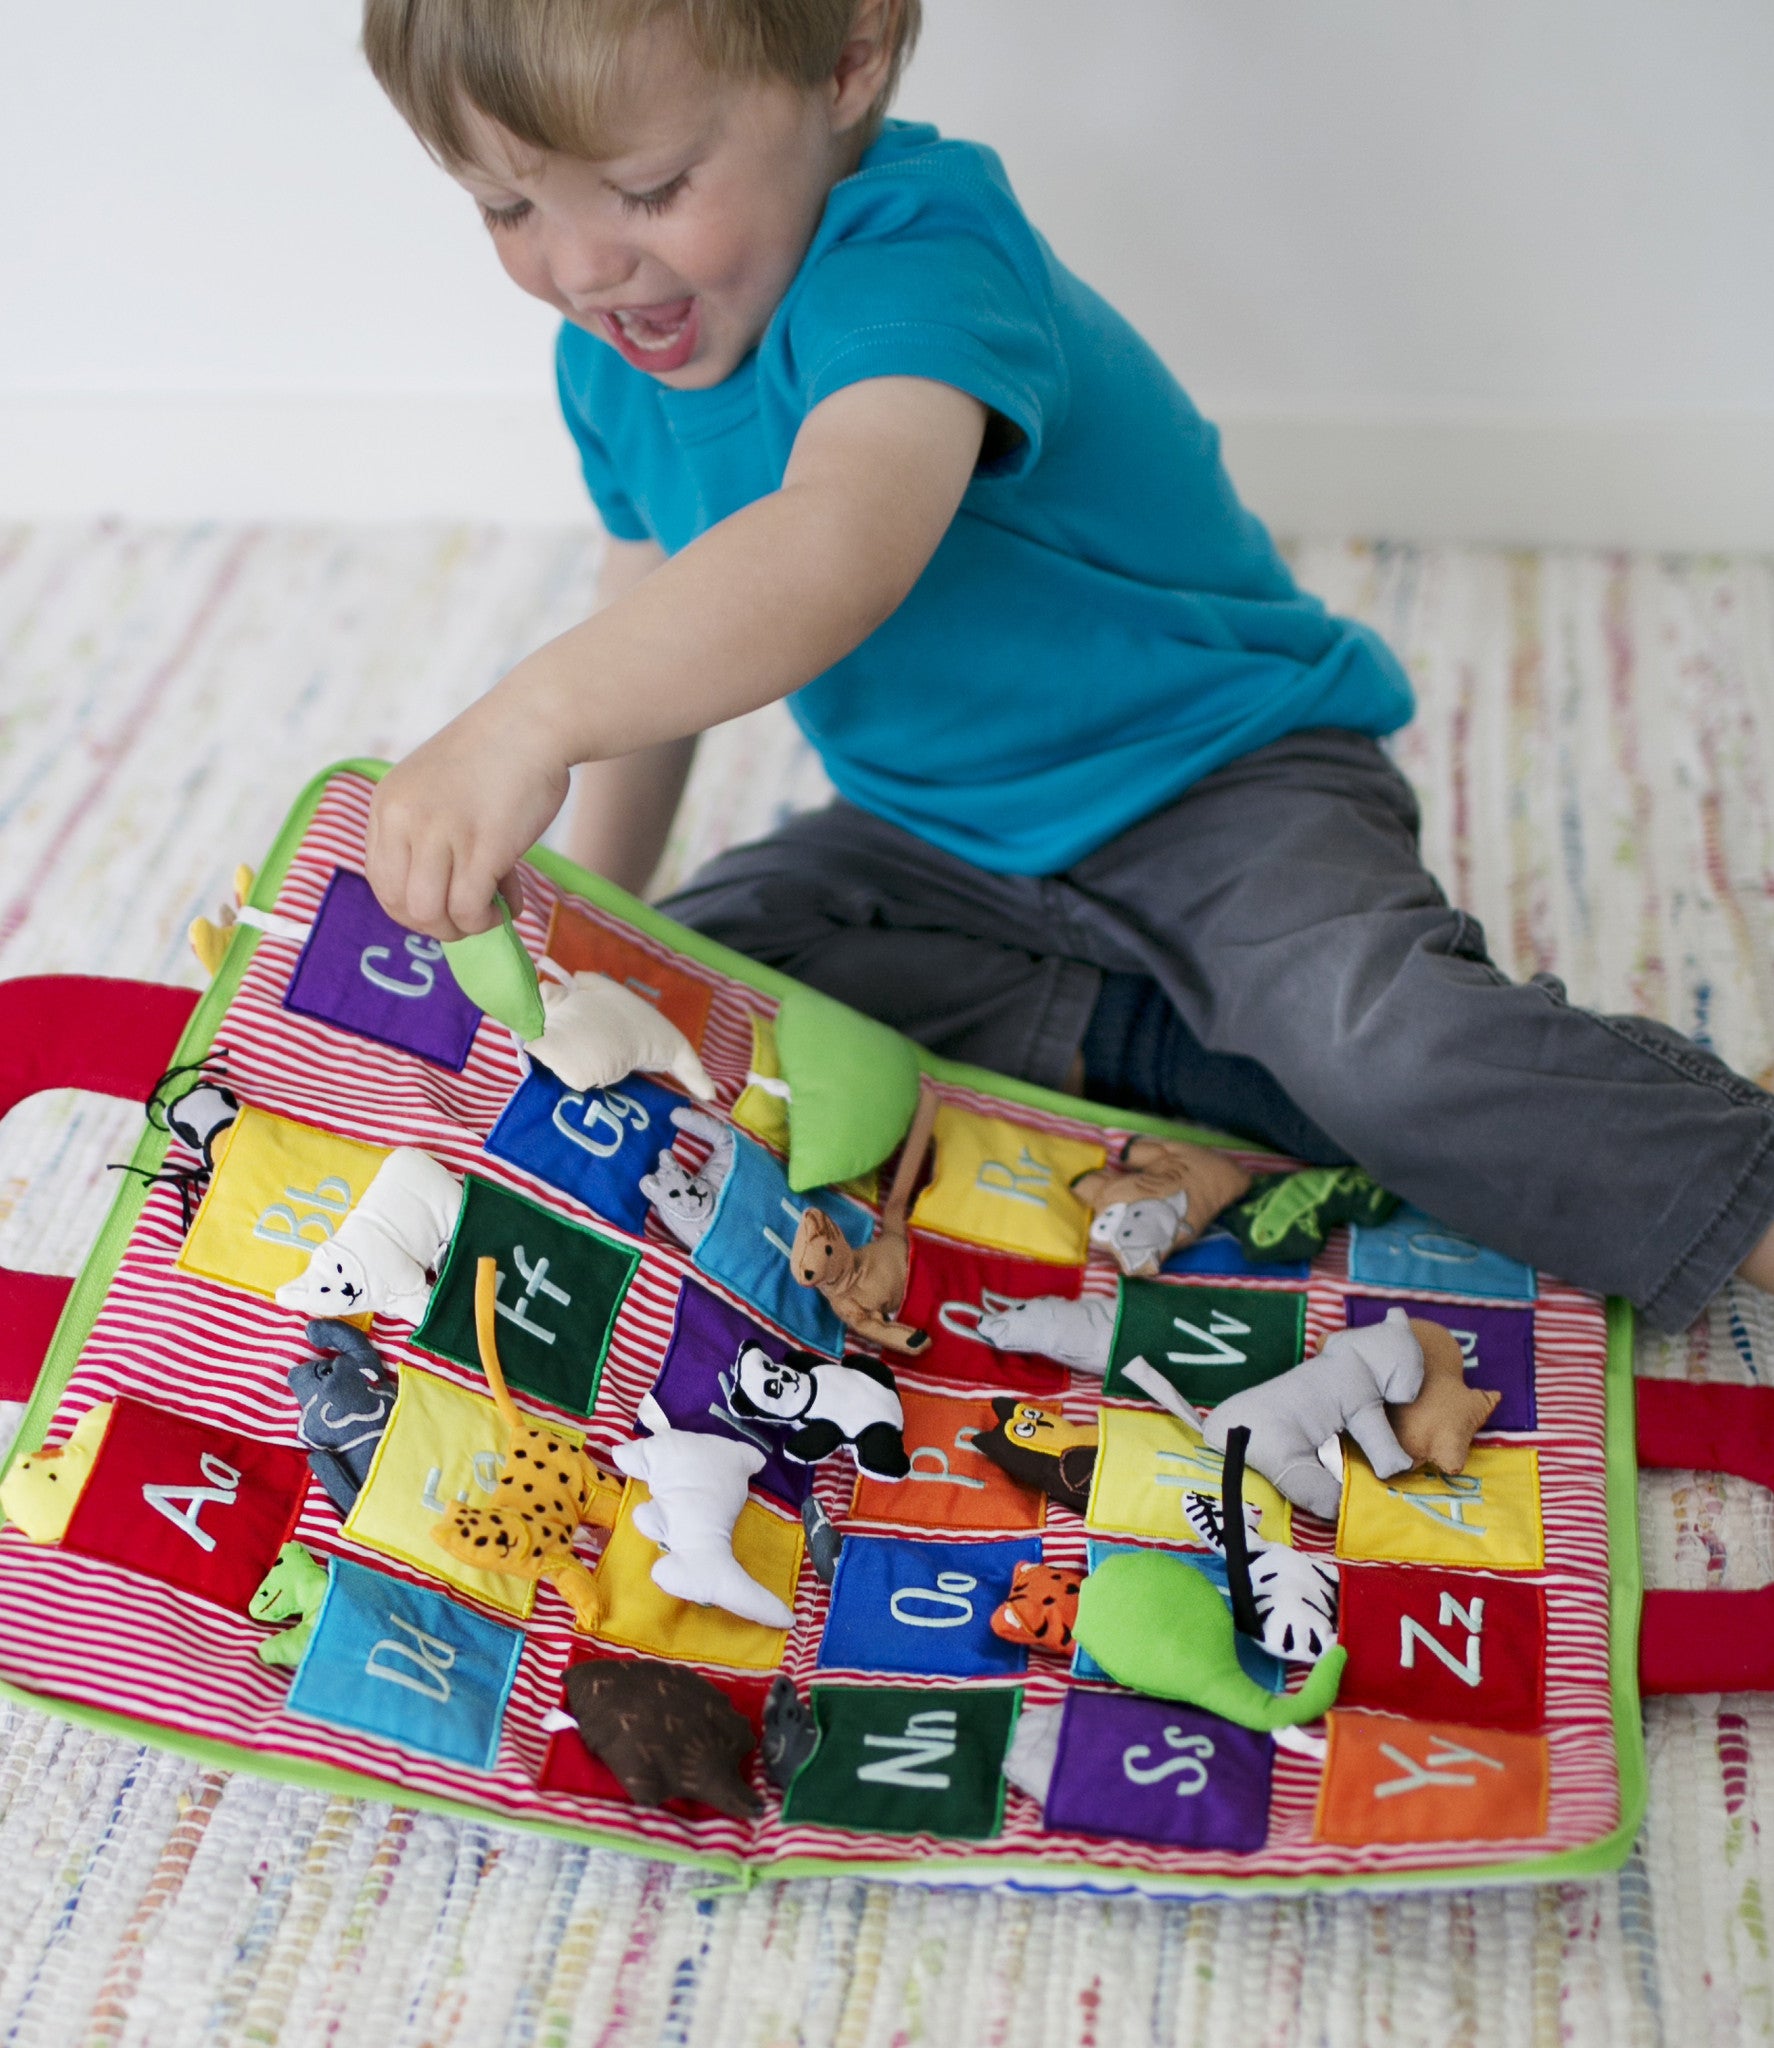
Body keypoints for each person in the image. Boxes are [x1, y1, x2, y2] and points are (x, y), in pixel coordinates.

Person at [358, 0, 1774, 1331]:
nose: (582, 263)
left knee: (1379, 1043)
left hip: (1219, 783)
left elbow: (838, 544)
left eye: (652, 188)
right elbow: (651, 587)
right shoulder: (611, 360)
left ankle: (1715, 1171)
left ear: (847, 59)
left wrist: (526, 712)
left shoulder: (919, 247)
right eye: (507, 205)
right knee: (710, 992)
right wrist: (600, 913)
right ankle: (1201, 1050)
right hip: (939, 832)